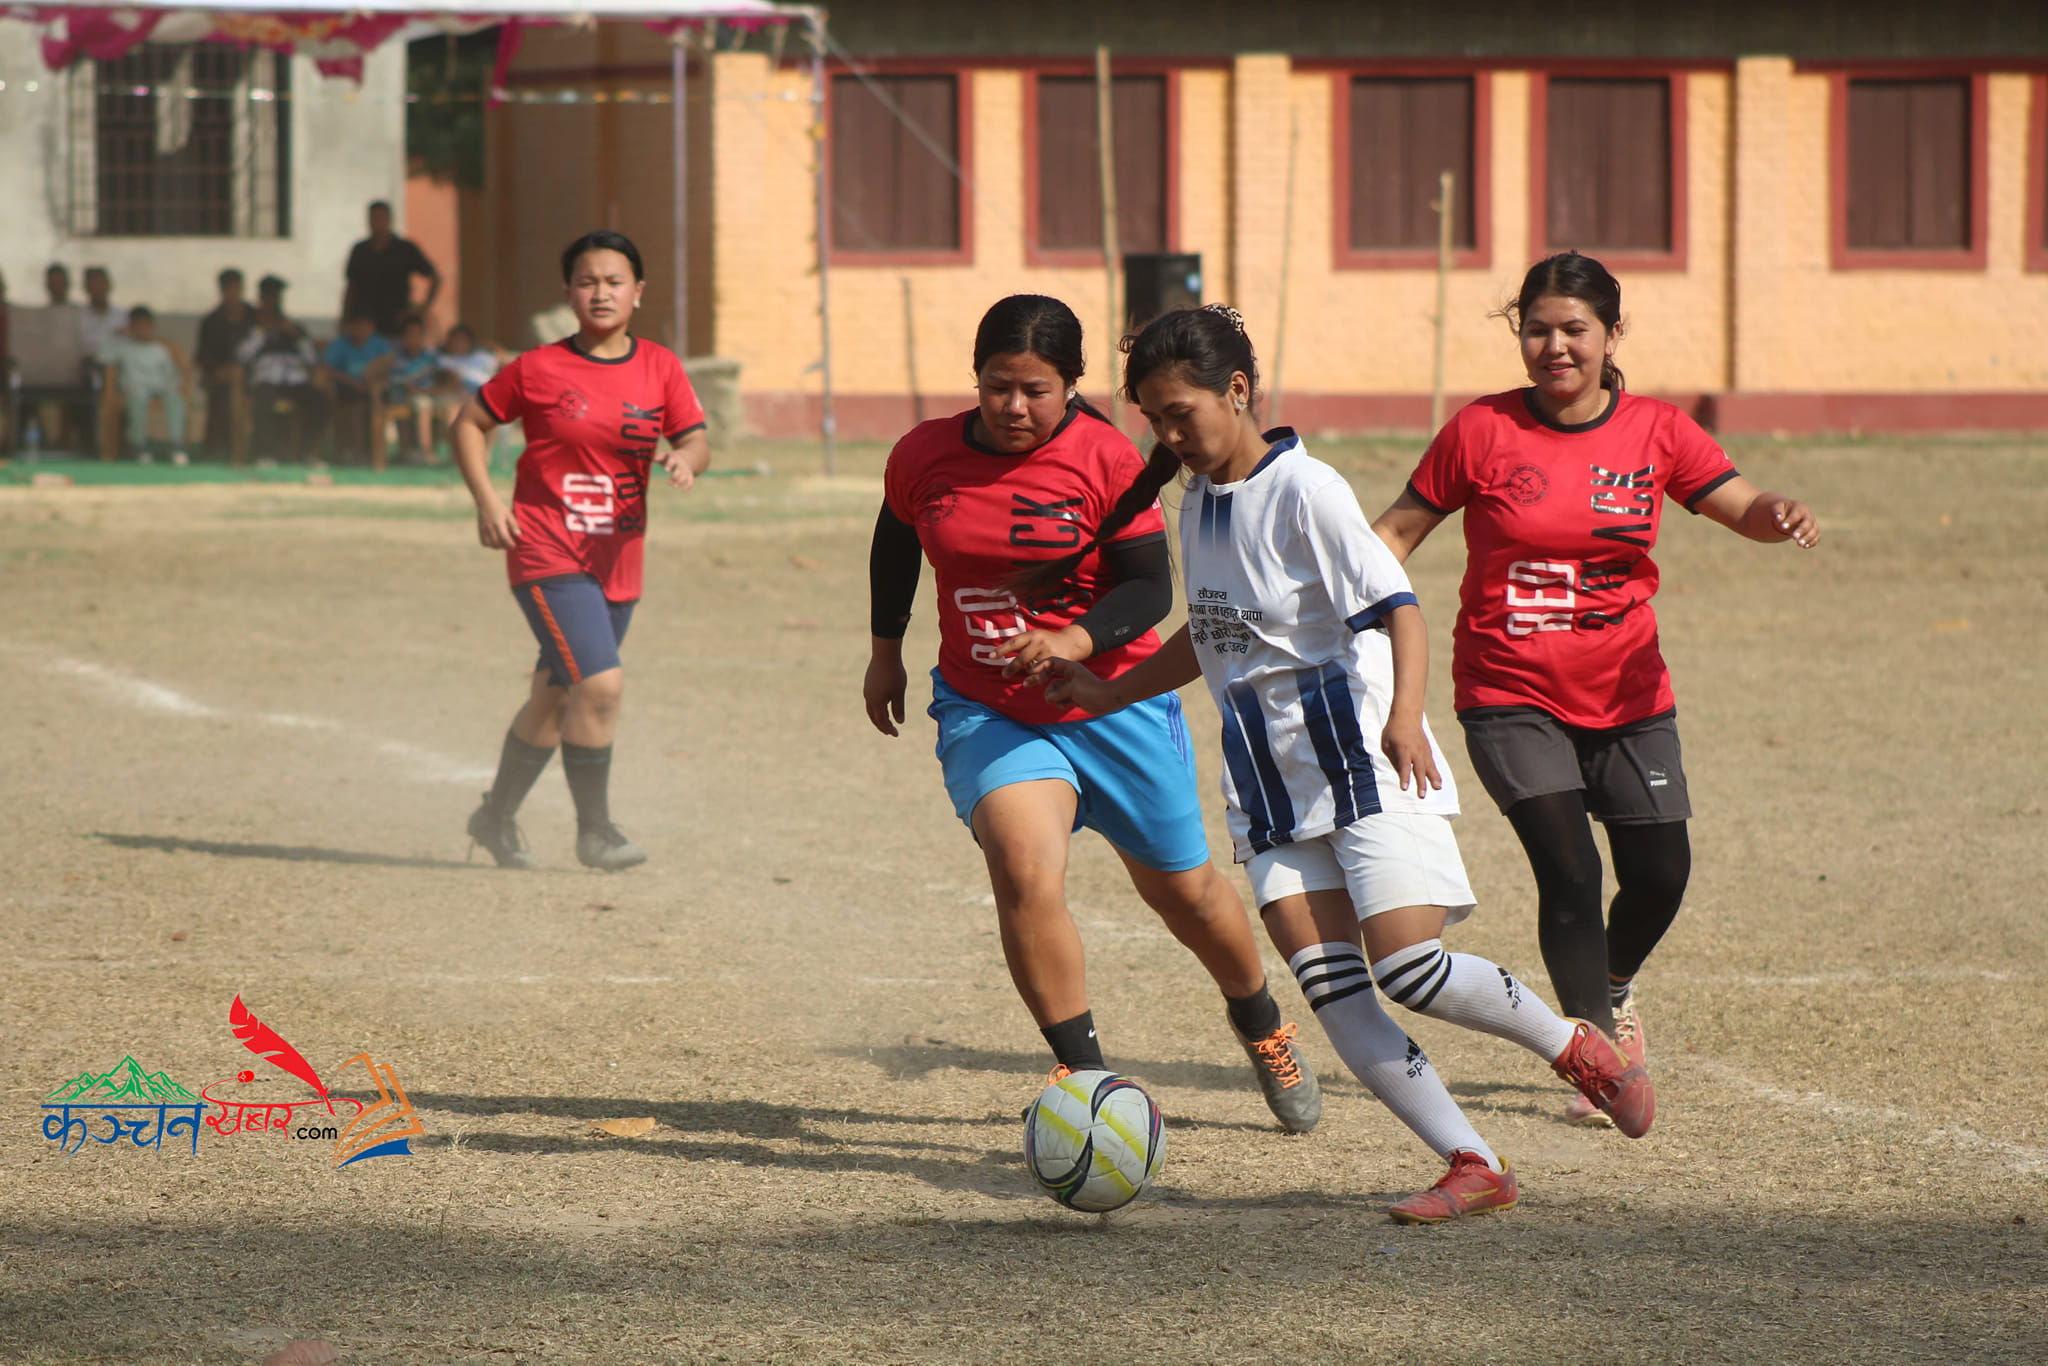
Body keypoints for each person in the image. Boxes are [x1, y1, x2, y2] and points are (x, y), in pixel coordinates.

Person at [1041, 306, 1648, 1222]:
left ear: (1237, 391)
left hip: (1364, 765)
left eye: (1181, 414)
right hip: (1268, 787)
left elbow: (1398, 605)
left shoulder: (1306, 489)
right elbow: (1212, 640)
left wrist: (1405, 717)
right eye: (1155, 421)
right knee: (1333, 991)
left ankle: (1575, 1046)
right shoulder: (1201, 500)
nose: (1169, 437)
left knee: (1409, 968)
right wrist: (1099, 692)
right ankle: (1473, 1163)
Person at [1370, 252, 1820, 1127]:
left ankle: (1612, 986)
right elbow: (1395, 531)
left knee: (1659, 874)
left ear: (1612, 335)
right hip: (1506, 688)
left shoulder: (1656, 430)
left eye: (1574, 329)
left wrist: (1781, 513)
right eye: (1537, 329)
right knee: (1569, 871)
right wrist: (1338, 597)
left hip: (1629, 692)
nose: (1555, 347)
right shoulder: (1480, 432)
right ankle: (1594, 1053)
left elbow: (1742, 506)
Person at [862, 293, 1321, 1131]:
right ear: (976, 377)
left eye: (1036, 389)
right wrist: (885, 647)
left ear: (1073, 386)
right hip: (988, 705)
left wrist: (1074, 641)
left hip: (1115, 706)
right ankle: (1089, 1083)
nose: (1013, 406)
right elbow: (896, 539)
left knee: (1185, 895)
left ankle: (1261, 1020)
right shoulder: (924, 454)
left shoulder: (1106, 458)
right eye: (999, 385)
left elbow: (1150, 587)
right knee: (1024, 869)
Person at [452, 230, 710, 872]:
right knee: (601, 685)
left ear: (638, 292)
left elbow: (697, 438)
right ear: (568, 292)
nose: (601, 292)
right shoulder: (537, 369)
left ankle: (493, 816)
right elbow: (469, 423)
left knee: (558, 695)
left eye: (614, 281)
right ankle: (595, 832)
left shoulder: (660, 367)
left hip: (618, 560)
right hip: (546, 550)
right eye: (587, 281)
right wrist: (489, 502)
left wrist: (685, 457)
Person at [235, 275, 322, 462]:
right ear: (261, 299)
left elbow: (311, 359)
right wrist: (261, 332)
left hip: (294, 381)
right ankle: (265, 454)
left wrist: (298, 337)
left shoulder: (293, 326)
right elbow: (242, 356)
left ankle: (307, 452)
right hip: (266, 381)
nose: (273, 302)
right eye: (269, 297)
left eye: (276, 297)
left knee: (319, 400)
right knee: (263, 401)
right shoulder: (251, 325)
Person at [96, 306, 190, 464]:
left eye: (145, 325)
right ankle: (139, 445)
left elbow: (184, 363)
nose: (142, 329)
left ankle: (177, 445)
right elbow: (104, 356)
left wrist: (161, 340)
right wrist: (115, 334)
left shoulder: (161, 346)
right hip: (136, 388)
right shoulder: (122, 345)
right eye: (137, 325)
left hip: (161, 386)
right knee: (137, 398)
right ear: (130, 327)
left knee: (175, 398)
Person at [343, 201, 439, 339]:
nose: (377, 223)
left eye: (381, 218)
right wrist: (345, 319)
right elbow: (351, 287)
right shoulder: (360, 250)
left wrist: (421, 310)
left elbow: (435, 277)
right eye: (374, 218)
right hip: (364, 324)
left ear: (389, 220)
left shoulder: (405, 249)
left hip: (396, 323)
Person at [196, 269, 255, 460]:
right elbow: (203, 354)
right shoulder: (211, 321)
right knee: (220, 394)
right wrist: (218, 370)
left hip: (251, 375)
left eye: (236, 289)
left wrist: (243, 371)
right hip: (219, 376)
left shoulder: (254, 317)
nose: (233, 294)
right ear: (221, 291)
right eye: (229, 289)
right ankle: (215, 447)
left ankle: (250, 449)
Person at [320, 314, 394, 464]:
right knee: (355, 409)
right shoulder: (340, 344)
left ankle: (375, 455)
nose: (360, 330)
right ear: (349, 327)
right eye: (357, 326)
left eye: (364, 325)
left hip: (374, 390)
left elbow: (388, 366)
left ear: (371, 327)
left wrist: (372, 381)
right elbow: (327, 369)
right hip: (347, 389)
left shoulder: (379, 344)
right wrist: (352, 382)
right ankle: (355, 452)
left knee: (373, 406)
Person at [382, 315, 442, 463]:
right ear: (403, 337)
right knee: (420, 404)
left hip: (430, 395)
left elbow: (445, 379)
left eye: (418, 334)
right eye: (410, 334)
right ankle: (412, 451)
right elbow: (397, 382)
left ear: (423, 336)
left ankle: (428, 451)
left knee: (431, 404)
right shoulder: (396, 358)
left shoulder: (432, 358)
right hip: (401, 397)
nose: (413, 338)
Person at [78, 267, 123, 358]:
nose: (98, 289)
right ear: (86, 288)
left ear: (109, 285)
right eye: (93, 285)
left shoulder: (122, 316)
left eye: (101, 284)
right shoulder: (77, 317)